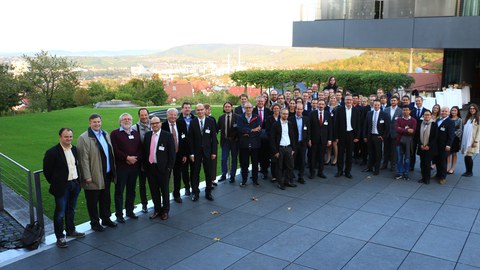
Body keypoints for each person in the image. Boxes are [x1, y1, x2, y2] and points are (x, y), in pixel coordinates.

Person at [43, 128, 85, 248]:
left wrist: (77, 182)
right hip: (62, 186)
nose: (69, 139)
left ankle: (71, 231)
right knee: (60, 212)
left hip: (75, 184)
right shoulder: (52, 152)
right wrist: (56, 183)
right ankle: (60, 237)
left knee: (71, 209)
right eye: (66, 137)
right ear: (60, 137)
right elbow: (47, 171)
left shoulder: (75, 149)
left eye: (71, 136)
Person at [77, 113, 117, 232]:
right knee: (93, 201)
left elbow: (110, 152)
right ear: (90, 123)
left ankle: (106, 218)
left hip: (106, 174)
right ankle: (94, 223)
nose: (97, 124)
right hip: (93, 176)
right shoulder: (83, 138)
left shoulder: (105, 134)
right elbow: (82, 159)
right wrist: (87, 176)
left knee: (105, 198)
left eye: (99, 121)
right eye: (94, 122)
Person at [110, 113, 142, 223]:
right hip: (121, 168)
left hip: (134, 167)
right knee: (119, 191)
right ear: (120, 121)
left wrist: (135, 158)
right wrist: (127, 158)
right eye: (124, 119)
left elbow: (140, 148)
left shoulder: (136, 133)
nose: (127, 121)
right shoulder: (115, 133)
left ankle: (129, 211)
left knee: (131, 190)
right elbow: (115, 149)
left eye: (129, 119)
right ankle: (119, 214)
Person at [144, 116, 175, 220]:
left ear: (160, 123)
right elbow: (145, 152)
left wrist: (169, 168)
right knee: (154, 190)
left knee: (165, 190)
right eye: (152, 123)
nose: (155, 125)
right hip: (151, 168)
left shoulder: (167, 136)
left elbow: (172, 154)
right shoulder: (147, 136)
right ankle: (157, 210)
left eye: (156, 123)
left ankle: (165, 211)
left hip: (163, 169)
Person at [189, 104, 217, 201]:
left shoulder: (211, 121)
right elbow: (191, 139)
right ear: (196, 111)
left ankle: (208, 193)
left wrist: (214, 152)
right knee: (195, 173)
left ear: (205, 110)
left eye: (201, 110)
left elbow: (213, 138)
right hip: (196, 153)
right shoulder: (193, 122)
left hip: (208, 152)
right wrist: (191, 153)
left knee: (208, 173)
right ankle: (195, 193)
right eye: (198, 110)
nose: (200, 111)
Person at [162, 108, 189, 203]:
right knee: (166, 176)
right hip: (167, 157)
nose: (173, 117)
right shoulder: (163, 126)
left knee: (177, 175)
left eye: (174, 115)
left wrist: (185, 154)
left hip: (179, 154)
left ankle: (176, 194)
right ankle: (165, 197)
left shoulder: (181, 124)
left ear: (177, 116)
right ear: (167, 115)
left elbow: (185, 140)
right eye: (171, 115)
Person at [334, 94, 360, 178]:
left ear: (352, 101)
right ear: (344, 101)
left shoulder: (356, 110)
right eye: (347, 100)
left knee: (349, 154)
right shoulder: (339, 109)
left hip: (351, 134)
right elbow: (336, 124)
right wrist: (336, 136)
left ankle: (348, 171)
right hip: (341, 134)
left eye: (350, 100)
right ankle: (339, 170)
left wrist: (357, 136)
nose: (348, 101)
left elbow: (358, 125)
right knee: (340, 154)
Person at [271, 108, 297, 190]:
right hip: (280, 148)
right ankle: (280, 183)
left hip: (288, 148)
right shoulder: (276, 125)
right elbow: (272, 139)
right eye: (284, 114)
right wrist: (275, 151)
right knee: (279, 166)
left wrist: (293, 148)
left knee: (290, 166)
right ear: (280, 114)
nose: (285, 115)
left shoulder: (290, 123)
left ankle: (287, 181)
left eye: (287, 114)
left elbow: (292, 136)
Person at [362, 100, 390, 175]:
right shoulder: (369, 113)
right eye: (375, 105)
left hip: (378, 137)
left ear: (380, 105)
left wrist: (383, 136)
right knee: (370, 153)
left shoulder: (384, 114)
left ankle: (376, 169)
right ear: (373, 105)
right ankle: (369, 167)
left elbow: (387, 127)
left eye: (378, 105)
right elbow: (366, 125)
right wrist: (364, 136)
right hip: (370, 136)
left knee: (378, 154)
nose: (376, 106)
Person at [237, 102, 261, 187]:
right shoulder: (240, 117)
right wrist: (252, 130)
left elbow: (259, 129)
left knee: (255, 163)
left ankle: (255, 180)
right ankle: (244, 180)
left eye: (249, 108)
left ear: (252, 108)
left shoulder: (256, 117)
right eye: (246, 108)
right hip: (244, 144)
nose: (248, 109)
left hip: (255, 144)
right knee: (244, 164)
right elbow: (240, 129)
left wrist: (247, 132)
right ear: (244, 108)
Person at [132, 108, 151, 213]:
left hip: (153, 160)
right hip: (141, 161)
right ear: (139, 116)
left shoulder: (153, 125)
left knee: (155, 182)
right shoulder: (135, 128)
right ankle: (144, 204)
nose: (144, 117)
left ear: (148, 115)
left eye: (146, 115)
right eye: (142, 115)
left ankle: (157, 201)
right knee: (142, 183)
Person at [309, 99, 332, 179]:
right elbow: (309, 128)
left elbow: (330, 128)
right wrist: (309, 139)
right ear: (317, 105)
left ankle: (320, 172)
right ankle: (312, 172)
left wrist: (329, 139)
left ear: (325, 105)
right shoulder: (312, 114)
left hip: (324, 140)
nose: (321, 106)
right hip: (314, 139)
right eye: (319, 104)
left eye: (322, 104)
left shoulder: (328, 114)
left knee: (322, 157)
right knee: (313, 157)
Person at [217, 102, 239, 183]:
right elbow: (216, 128)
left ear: (232, 108)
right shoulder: (221, 118)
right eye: (225, 107)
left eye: (229, 106)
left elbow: (239, 129)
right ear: (223, 108)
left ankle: (232, 175)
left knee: (234, 159)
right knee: (223, 159)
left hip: (234, 141)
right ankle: (224, 174)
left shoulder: (237, 117)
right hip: (225, 141)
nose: (227, 108)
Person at [178, 101, 195, 196]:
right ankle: (187, 187)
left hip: (193, 150)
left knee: (194, 169)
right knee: (184, 170)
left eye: (189, 107)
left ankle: (193, 186)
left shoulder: (194, 119)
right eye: (185, 107)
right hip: (183, 150)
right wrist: (183, 153)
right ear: (182, 109)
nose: (187, 109)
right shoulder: (178, 121)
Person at [290, 103, 310, 183]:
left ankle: (300, 177)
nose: (299, 111)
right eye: (298, 109)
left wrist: (307, 140)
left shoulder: (306, 119)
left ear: (303, 110)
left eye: (301, 109)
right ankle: (290, 176)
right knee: (292, 161)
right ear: (295, 109)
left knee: (302, 161)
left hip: (302, 143)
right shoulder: (290, 119)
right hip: (293, 144)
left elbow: (308, 131)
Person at [435, 106, 455, 185]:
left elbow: (451, 135)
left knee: (443, 161)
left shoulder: (450, 122)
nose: (444, 112)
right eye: (442, 111)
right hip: (436, 145)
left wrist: (448, 145)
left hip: (444, 145)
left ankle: (443, 177)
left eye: (445, 111)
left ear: (448, 113)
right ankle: (438, 174)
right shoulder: (438, 120)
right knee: (437, 160)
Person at [395, 106, 416, 180]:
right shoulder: (399, 119)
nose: (405, 111)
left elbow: (413, 131)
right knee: (399, 158)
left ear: (410, 111)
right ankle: (399, 173)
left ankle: (406, 173)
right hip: (399, 141)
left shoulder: (413, 120)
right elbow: (397, 129)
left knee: (407, 159)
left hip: (408, 143)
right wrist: (407, 130)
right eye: (404, 110)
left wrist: (402, 129)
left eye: (407, 110)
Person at [416, 110, 437, 185]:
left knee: (427, 164)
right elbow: (417, 135)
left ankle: (427, 179)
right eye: (425, 115)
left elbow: (435, 137)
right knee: (422, 163)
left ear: (431, 116)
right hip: (421, 147)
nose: (427, 116)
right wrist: (420, 144)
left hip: (429, 148)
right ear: (423, 116)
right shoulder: (420, 123)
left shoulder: (434, 125)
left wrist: (428, 146)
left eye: (428, 115)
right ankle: (423, 177)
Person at [253, 96, 272, 179]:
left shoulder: (269, 111)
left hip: (265, 137)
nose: (260, 103)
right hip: (255, 136)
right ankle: (255, 171)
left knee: (265, 154)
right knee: (255, 154)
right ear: (256, 102)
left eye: (262, 101)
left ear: (264, 102)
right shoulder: (253, 111)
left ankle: (265, 171)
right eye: (258, 101)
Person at [382, 96, 402, 171]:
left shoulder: (400, 111)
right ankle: (384, 164)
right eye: (392, 100)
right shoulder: (386, 110)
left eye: (394, 100)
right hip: (387, 133)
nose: (393, 102)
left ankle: (393, 165)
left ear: (397, 101)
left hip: (395, 134)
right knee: (385, 150)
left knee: (394, 151)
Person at [461, 104, 480, 177]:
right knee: (466, 156)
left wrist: (476, 141)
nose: (472, 110)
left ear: (476, 109)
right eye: (470, 109)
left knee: (468, 156)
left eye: (473, 109)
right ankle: (467, 171)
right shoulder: (468, 118)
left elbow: (479, 131)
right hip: (466, 140)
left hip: (472, 141)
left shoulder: (478, 118)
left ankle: (470, 172)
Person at [266, 103, 282, 182]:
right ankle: (273, 175)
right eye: (274, 108)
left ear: (280, 109)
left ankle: (279, 174)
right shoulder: (269, 119)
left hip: (281, 141)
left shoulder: (281, 118)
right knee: (273, 159)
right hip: (272, 141)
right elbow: (267, 130)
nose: (276, 110)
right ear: (272, 109)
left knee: (280, 159)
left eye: (277, 108)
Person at [410, 96, 426, 171]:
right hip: (413, 135)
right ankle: (411, 166)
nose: (418, 102)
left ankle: (423, 167)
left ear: (422, 101)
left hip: (422, 135)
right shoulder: (412, 111)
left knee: (422, 152)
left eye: (419, 101)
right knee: (412, 151)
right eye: (416, 101)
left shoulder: (426, 111)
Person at [447, 106, 462, 174]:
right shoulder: (448, 118)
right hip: (448, 138)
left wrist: (451, 133)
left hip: (455, 139)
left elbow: (460, 130)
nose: (453, 112)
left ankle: (452, 168)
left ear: (457, 111)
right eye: (452, 110)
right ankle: (447, 167)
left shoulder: (459, 120)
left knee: (454, 153)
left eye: (455, 110)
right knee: (447, 153)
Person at [326, 94, 338, 165]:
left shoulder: (338, 108)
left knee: (334, 144)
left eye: (334, 98)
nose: (332, 100)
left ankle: (336, 158)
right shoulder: (326, 108)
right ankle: (328, 158)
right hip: (327, 128)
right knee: (328, 144)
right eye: (331, 98)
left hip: (335, 128)